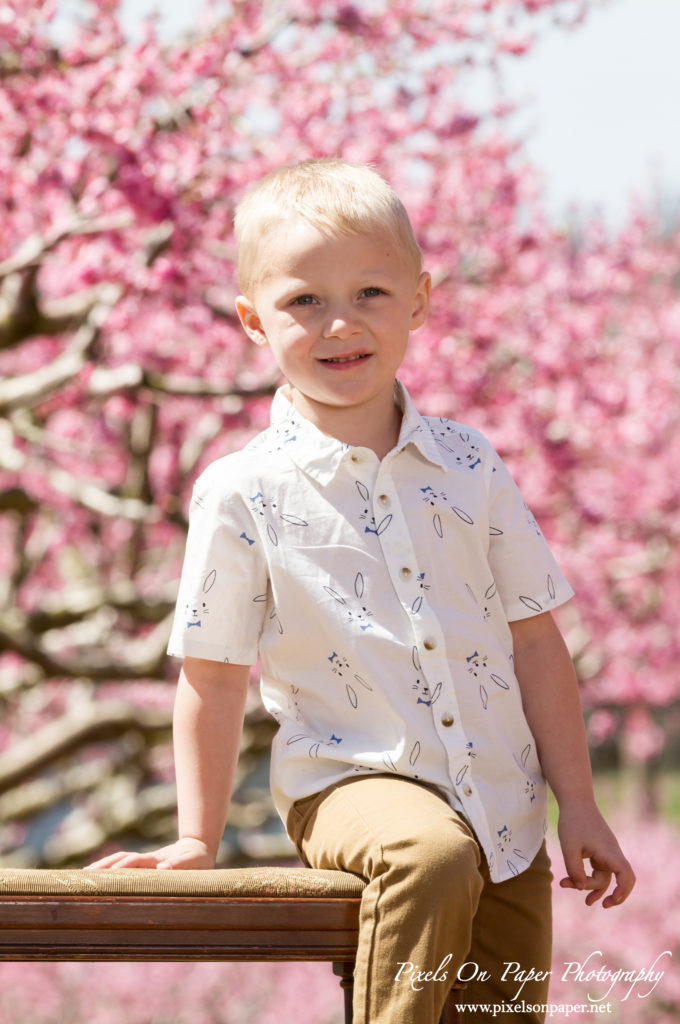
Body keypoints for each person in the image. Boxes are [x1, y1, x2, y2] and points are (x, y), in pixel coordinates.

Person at [89, 158, 635, 1023]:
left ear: (418, 301)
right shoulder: (243, 489)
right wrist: (198, 835)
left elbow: (535, 641)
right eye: (304, 300)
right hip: (348, 783)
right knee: (425, 855)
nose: (340, 321)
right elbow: (214, 670)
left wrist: (580, 807)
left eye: (372, 292)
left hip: (503, 806)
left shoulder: (469, 465)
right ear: (252, 321)